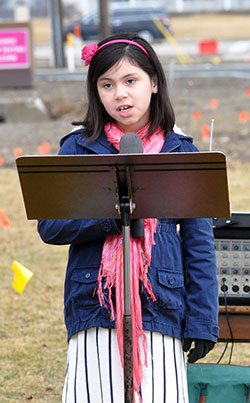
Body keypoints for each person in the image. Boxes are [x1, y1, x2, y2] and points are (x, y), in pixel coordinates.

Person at [37, 32, 218, 403]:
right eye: (107, 84)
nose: (119, 94)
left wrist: (202, 320)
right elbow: (50, 226)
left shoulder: (180, 152)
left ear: (153, 83)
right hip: (95, 305)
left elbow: (199, 244)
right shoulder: (78, 148)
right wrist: (112, 215)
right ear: (96, 92)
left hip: (160, 308)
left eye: (130, 81)